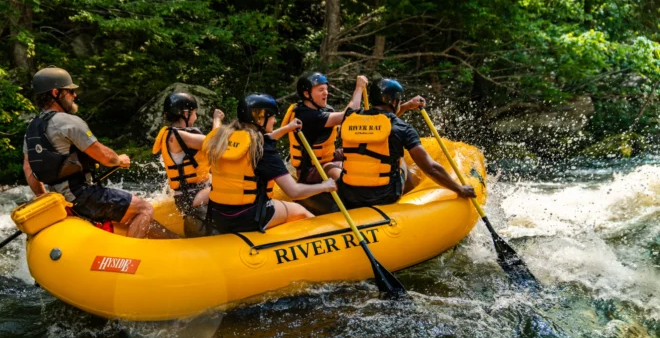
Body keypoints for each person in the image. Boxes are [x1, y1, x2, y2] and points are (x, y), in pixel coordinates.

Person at [22, 67, 175, 239]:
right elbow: (105, 157)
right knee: (144, 208)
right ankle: (126, 260)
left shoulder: (32, 128)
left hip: (62, 198)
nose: (74, 95)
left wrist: (45, 199)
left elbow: (29, 170)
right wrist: (119, 160)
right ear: (56, 93)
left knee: (134, 214)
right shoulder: (67, 122)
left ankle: (175, 242)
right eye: (70, 91)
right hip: (82, 195)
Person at [201, 94, 336, 233]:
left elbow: (259, 140)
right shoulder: (263, 149)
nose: (275, 120)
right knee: (300, 210)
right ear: (259, 118)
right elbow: (294, 192)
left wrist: (287, 128)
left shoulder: (222, 138)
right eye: (271, 116)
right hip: (246, 218)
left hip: (217, 215)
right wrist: (325, 186)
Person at [337, 78, 476, 209]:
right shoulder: (402, 128)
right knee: (400, 160)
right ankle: (411, 196)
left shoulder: (349, 119)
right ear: (394, 101)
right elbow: (430, 168)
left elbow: (380, 125)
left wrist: (407, 105)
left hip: (349, 196)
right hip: (382, 197)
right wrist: (459, 188)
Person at [280, 72, 368, 215]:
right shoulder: (307, 116)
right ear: (307, 94)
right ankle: (358, 201)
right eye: (320, 90)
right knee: (348, 169)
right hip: (312, 169)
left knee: (359, 152)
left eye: (326, 89)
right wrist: (358, 89)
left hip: (326, 157)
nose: (326, 93)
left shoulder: (319, 110)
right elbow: (348, 115)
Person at [152, 92, 224, 237]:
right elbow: (216, 145)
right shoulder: (180, 136)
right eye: (195, 113)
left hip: (187, 195)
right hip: (193, 196)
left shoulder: (171, 134)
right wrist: (217, 119)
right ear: (185, 113)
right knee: (235, 187)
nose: (196, 117)